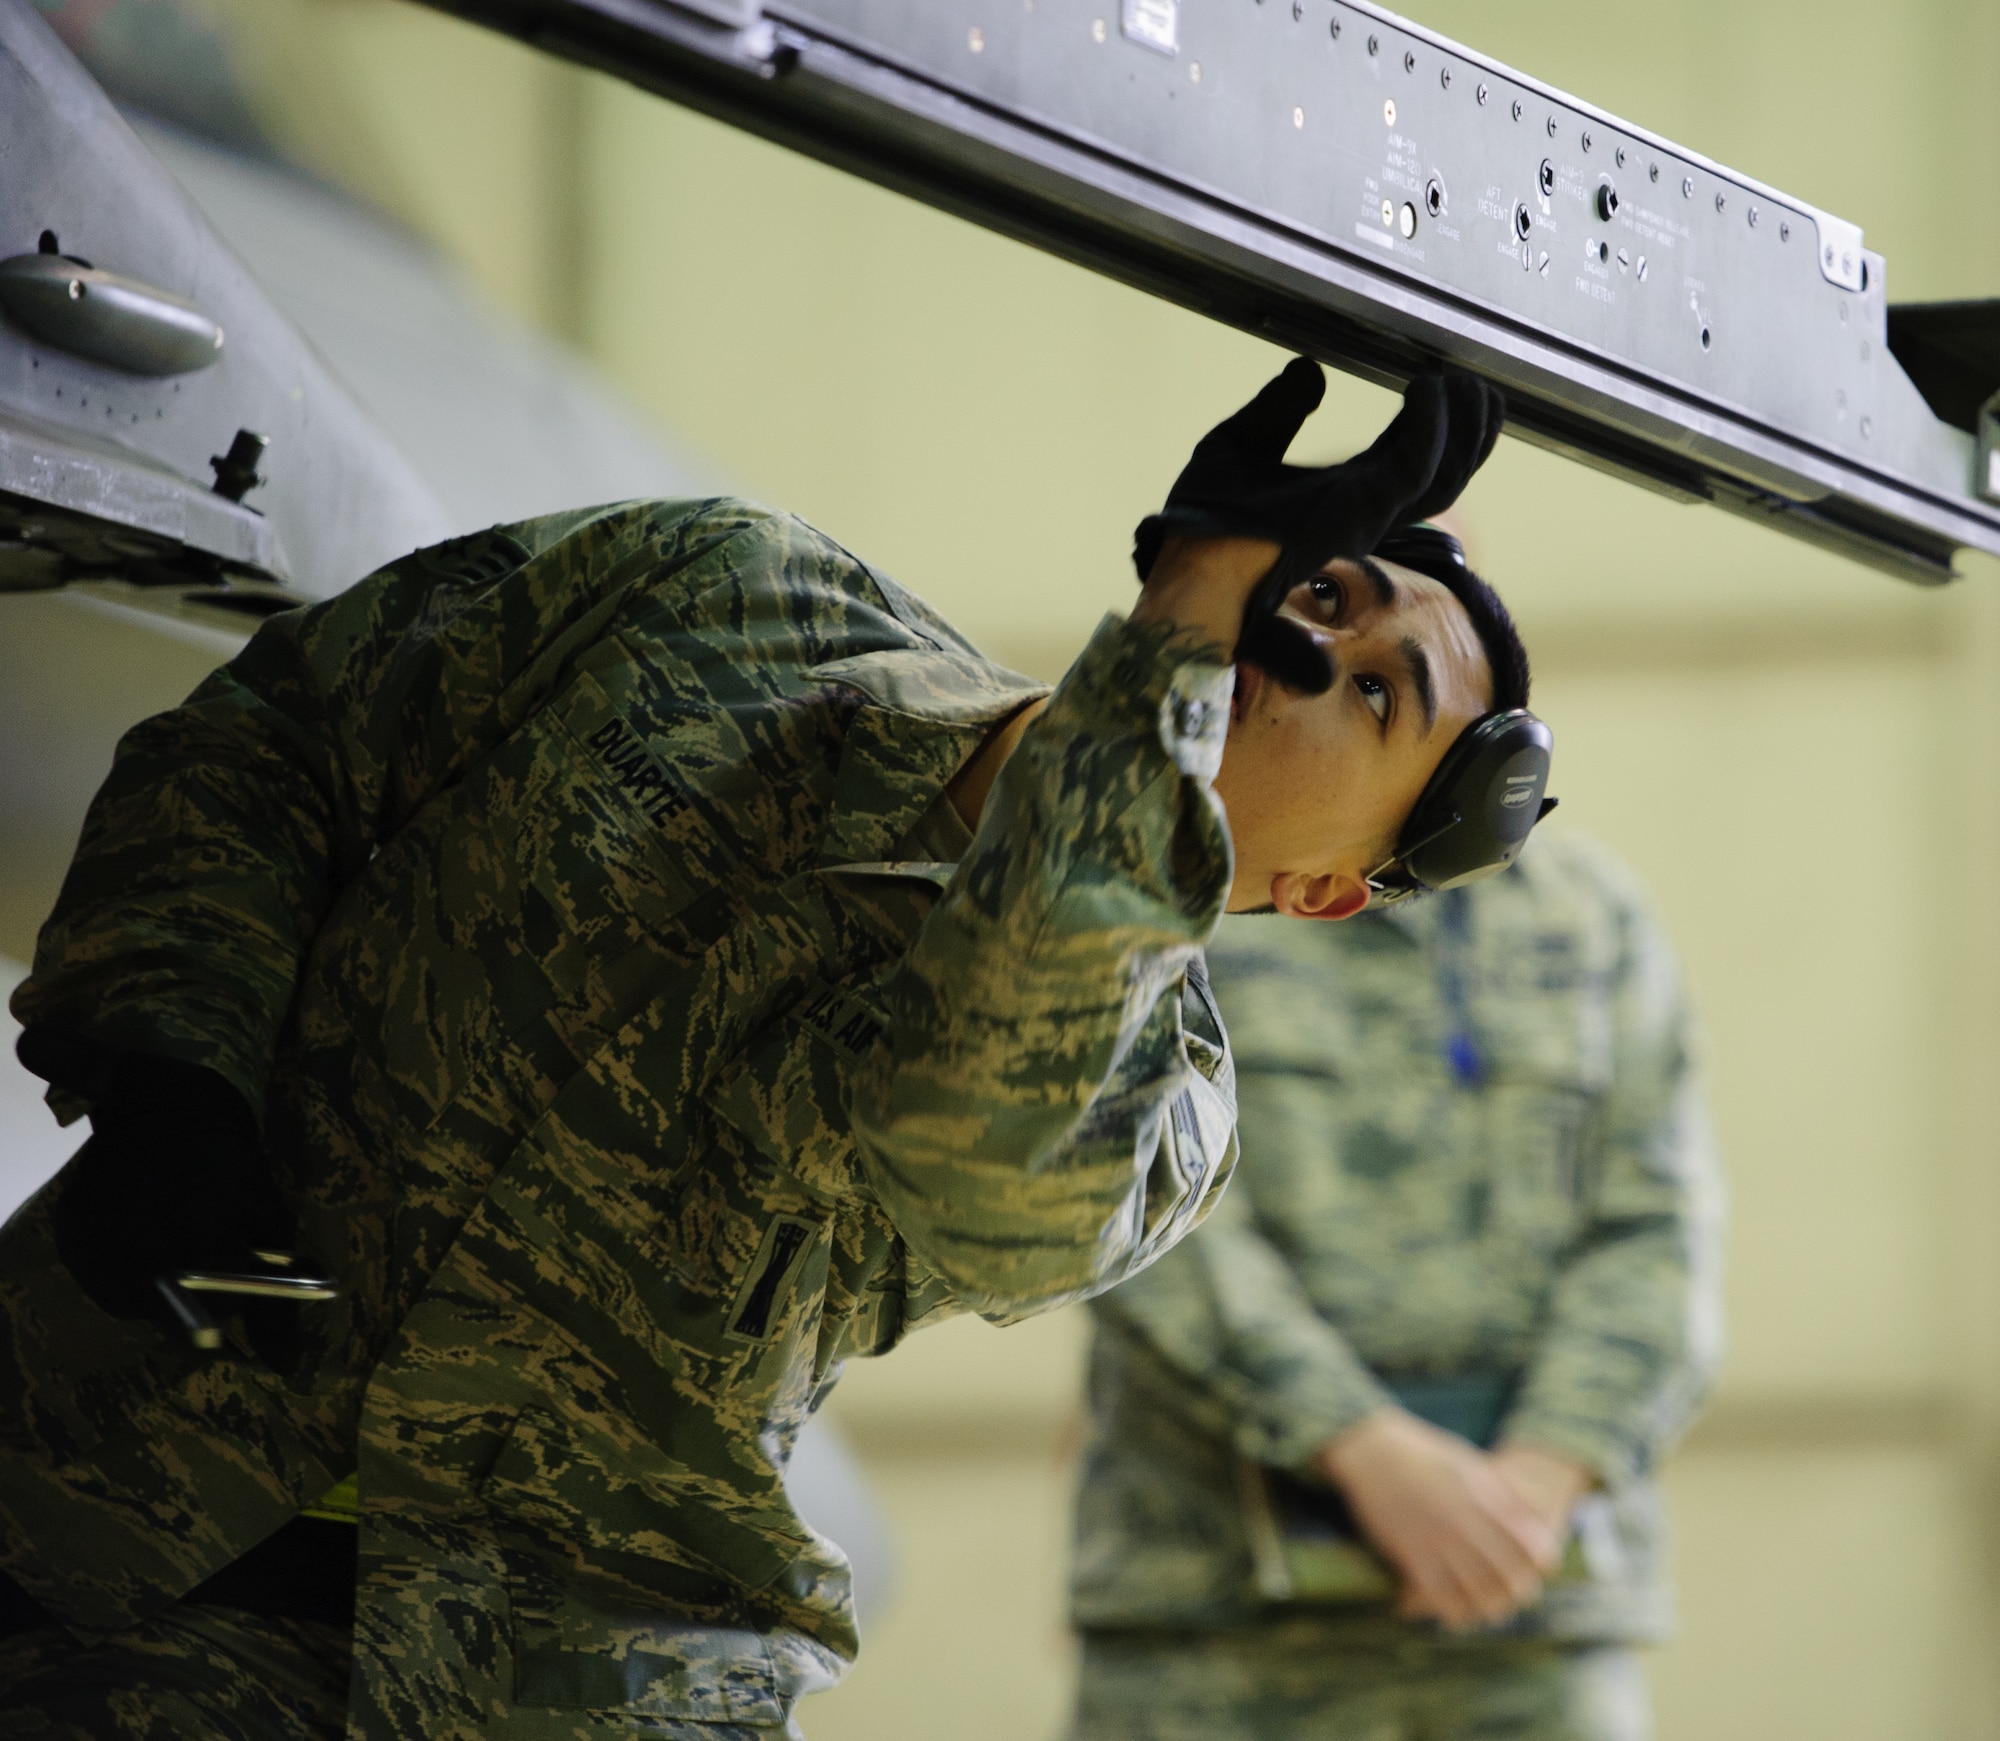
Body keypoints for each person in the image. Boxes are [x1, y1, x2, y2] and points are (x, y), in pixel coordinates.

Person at [0, 360, 1539, 1740]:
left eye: (1381, 691)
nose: (1320, 645)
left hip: (545, 1669)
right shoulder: (734, 596)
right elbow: (282, 748)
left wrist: (1183, 642)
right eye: (1327, 595)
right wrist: (168, 1064)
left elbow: (982, 1139)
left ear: (1332, 892)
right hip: (90, 1468)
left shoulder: (1162, 1108)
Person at [1068, 829, 1725, 1741]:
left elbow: (1659, 1229)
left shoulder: (1591, 914)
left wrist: (1533, 1485)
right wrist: (1362, 1447)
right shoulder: (1176, 896)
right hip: (1216, 1625)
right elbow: (1128, 1204)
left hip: (1529, 1623)